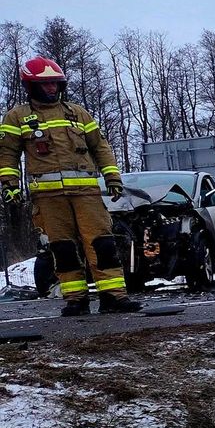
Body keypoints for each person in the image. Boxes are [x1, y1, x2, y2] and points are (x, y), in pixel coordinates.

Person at [0, 56, 141, 316]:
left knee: (102, 243)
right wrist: (10, 185)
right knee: (62, 248)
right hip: (48, 197)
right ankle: (76, 299)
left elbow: (100, 147)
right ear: (32, 86)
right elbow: (6, 154)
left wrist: (112, 178)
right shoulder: (18, 117)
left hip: (86, 194)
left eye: (55, 83)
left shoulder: (77, 113)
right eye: (46, 84)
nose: (52, 88)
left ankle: (114, 297)